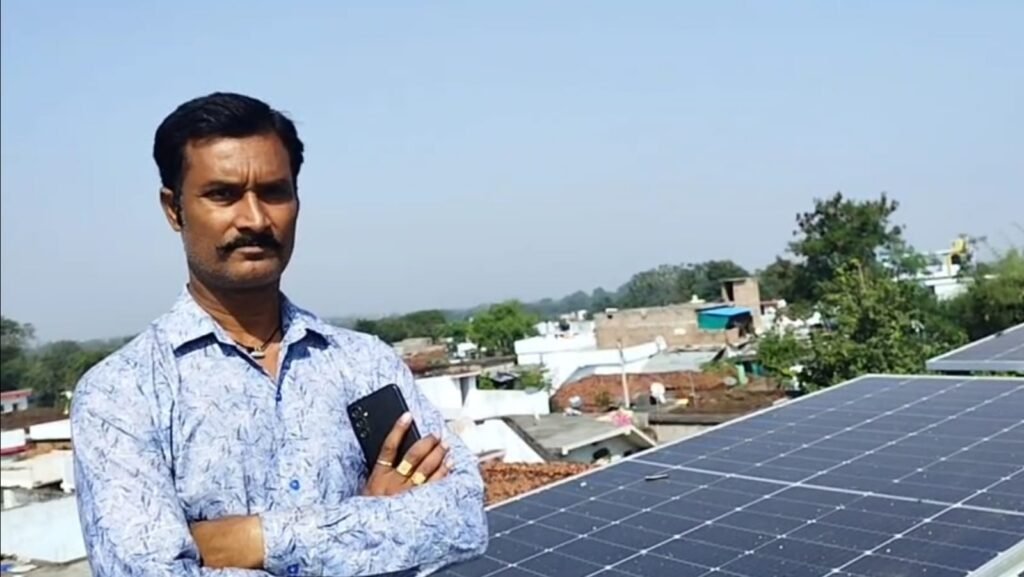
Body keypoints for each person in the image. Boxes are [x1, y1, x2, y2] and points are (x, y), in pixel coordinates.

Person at [70, 92, 489, 576]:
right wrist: (370, 525)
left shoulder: (364, 364)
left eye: (273, 192)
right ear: (173, 209)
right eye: (222, 194)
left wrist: (252, 539)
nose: (254, 219)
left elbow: (462, 518)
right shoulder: (121, 396)